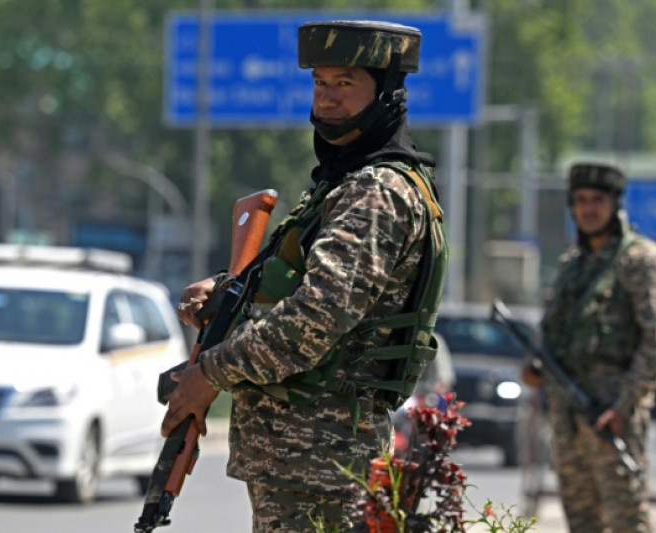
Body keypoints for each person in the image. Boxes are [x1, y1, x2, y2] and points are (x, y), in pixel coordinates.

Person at [161, 20, 447, 532]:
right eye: (320, 83)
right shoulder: (344, 183)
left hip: (319, 458)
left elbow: (313, 321)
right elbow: (302, 286)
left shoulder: (376, 192)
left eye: (345, 83)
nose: (328, 98)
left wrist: (211, 373)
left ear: (386, 95)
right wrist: (231, 291)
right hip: (302, 455)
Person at [525, 162, 656, 533]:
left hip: (611, 412)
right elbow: (557, 333)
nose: (589, 209)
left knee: (626, 518)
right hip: (567, 414)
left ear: (615, 205)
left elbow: (653, 344)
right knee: (581, 519)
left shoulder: (640, 260)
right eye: (581, 201)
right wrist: (536, 367)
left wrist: (623, 406)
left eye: (598, 200)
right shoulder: (571, 265)